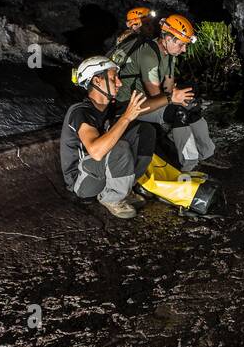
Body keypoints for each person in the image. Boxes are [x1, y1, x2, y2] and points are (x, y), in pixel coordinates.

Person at [119, 13, 223, 172]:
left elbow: (168, 88)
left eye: (186, 45)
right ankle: (190, 164)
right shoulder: (149, 55)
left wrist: (180, 98)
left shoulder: (169, 55)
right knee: (179, 111)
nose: (184, 50)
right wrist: (175, 99)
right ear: (168, 39)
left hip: (146, 100)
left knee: (190, 104)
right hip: (129, 105)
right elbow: (157, 97)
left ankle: (207, 154)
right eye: (181, 45)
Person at [60, 55, 151, 218]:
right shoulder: (80, 111)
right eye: (113, 78)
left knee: (145, 131)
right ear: (96, 81)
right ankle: (112, 198)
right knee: (119, 146)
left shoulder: (108, 107)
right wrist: (126, 118)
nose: (119, 83)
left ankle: (124, 188)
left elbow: (145, 108)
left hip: (101, 171)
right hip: (82, 183)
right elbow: (96, 152)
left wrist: (170, 98)